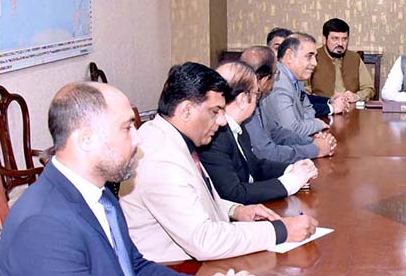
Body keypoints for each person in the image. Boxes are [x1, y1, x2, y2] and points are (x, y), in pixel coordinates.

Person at [0, 82, 257, 276]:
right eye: (126, 128)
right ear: (85, 139)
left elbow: (136, 270)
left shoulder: (100, 195)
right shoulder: (42, 226)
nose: (138, 138)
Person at [119, 62, 318, 262]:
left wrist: (234, 210)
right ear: (187, 110)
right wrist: (280, 231)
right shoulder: (162, 158)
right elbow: (205, 241)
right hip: (175, 268)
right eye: (215, 111)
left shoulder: (166, 135)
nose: (223, 121)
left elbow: (191, 198)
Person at [199, 61, 319, 205]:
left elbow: (254, 166)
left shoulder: (238, 126)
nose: (258, 99)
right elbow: (233, 193)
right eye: (257, 93)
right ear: (243, 99)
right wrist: (291, 181)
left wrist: (292, 169)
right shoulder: (214, 136)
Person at [240, 46, 337, 162]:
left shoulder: (258, 99)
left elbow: (277, 132)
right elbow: (267, 152)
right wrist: (314, 149)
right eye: (275, 75)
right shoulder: (245, 106)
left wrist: (311, 141)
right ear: (265, 80)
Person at [258, 33, 346, 137]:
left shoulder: (296, 78)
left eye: (315, 57)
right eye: (309, 56)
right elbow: (290, 130)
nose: (315, 63)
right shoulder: (277, 82)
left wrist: (308, 126)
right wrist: (317, 124)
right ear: (289, 56)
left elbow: (308, 109)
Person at [308, 18, 374, 102]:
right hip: (323, 110)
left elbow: (369, 89)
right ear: (324, 39)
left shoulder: (355, 58)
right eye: (335, 38)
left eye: (344, 39)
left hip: (352, 110)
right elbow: (304, 93)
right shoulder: (313, 58)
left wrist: (356, 96)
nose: (340, 44)